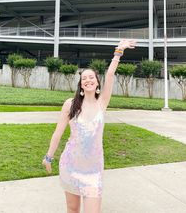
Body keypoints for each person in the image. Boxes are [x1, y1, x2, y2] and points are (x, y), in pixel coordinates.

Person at [42, 39, 136, 213]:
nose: (88, 80)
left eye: (91, 77)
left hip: (93, 170)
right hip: (71, 165)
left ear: (97, 83)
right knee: (72, 209)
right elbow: (58, 133)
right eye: (84, 78)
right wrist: (48, 157)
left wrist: (118, 52)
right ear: (81, 86)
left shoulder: (102, 103)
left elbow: (109, 75)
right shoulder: (70, 104)